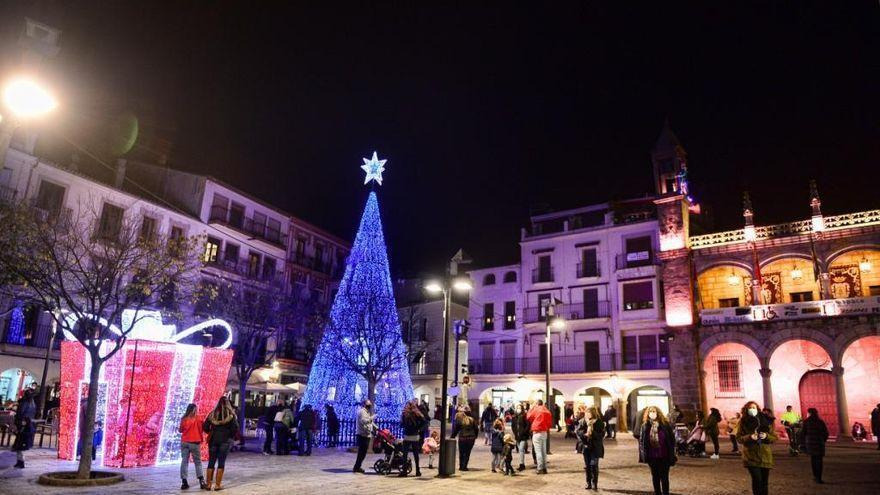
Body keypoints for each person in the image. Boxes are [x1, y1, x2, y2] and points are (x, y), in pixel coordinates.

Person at [736, 401, 777, 495]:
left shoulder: (766, 421)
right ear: (746, 410)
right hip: (751, 456)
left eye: (754, 408)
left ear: (758, 409)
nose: (752, 410)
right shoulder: (743, 422)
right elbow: (739, 438)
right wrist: (749, 437)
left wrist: (766, 436)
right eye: (750, 408)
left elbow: (774, 437)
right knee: (757, 480)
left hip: (765, 456)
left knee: (764, 482)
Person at [638, 406, 676, 495]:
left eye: (654, 411)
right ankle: (657, 493)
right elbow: (642, 441)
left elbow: (671, 439)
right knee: (655, 477)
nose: (652, 413)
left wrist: (672, 452)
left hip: (664, 455)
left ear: (658, 413)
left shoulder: (665, 425)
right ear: (648, 414)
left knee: (664, 477)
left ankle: (666, 493)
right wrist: (643, 455)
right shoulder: (645, 426)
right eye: (650, 411)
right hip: (652, 456)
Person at [203, 396, 238, 491]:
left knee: (211, 461)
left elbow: (205, 427)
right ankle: (217, 485)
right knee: (221, 462)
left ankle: (209, 484)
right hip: (225, 441)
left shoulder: (212, 414)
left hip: (213, 440)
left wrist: (212, 432)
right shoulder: (231, 415)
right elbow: (235, 429)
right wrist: (228, 435)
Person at [178, 403, 207, 490]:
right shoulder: (199, 418)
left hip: (184, 442)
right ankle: (201, 481)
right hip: (195, 442)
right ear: (195, 410)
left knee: (184, 462)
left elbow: (180, 430)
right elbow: (203, 428)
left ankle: (184, 482)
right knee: (197, 462)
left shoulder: (184, 419)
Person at [578, 405, 606, 491]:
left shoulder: (599, 423)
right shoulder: (582, 421)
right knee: (587, 466)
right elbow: (578, 432)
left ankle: (594, 483)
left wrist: (592, 433)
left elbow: (601, 435)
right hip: (586, 446)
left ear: (593, 413)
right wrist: (584, 434)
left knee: (594, 465)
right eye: (586, 413)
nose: (587, 414)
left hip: (596, 447)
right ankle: (588, 482)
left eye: (589, 413)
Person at [400, 399, 427, 477]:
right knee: (416, 454)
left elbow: (402, 424)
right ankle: (418, 471)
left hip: (407, 435)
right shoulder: (417, 413)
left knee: (405, 454)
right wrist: (418, 429)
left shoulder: (405, 414)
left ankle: (404, 471)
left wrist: (404, 426)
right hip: (415, 435)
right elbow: (424, 421)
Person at [801, 408, 828, 484]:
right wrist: (823, 440)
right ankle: (819, 477)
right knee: (819, 461)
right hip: (819, 443)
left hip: (811, 444)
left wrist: (804, 444)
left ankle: (815, 476)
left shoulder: (806, 422)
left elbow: (803, 433)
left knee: (813, 460)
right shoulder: (820, 422)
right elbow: (826, 433)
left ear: (809, 413)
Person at [526, 399, 552, 474]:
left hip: (537, 432)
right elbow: (549, 423)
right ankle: (544, 468)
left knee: (538, 451)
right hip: (544, 432)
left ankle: (540, 468)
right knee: (544, 451)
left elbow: (528, 417)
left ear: (537, 404)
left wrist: (532, 407)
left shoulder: (536, 409)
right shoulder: (547, 411)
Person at [11, 389, 36, 469]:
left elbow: (20, 413)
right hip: (28, 425)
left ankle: (20, 462)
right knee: (21, 443)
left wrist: (17, 422)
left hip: (23, 424)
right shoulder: (32, 403)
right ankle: (20, 461)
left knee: (20, 444)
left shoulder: (24, 402)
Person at [450, 405, 479, 471]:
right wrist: (475, 436)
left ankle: (461, 466)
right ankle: (465, 466)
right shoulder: (472, 419)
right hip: (471, 438)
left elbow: (456, 429)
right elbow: (476, 429)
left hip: (462, 438)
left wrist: (452, 436)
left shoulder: (460, 420)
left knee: (462, 452)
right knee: (467, 453)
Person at [353, 399, 375, 473]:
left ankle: (357, 466)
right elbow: (364, 421)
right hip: (362, 435)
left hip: (366, 434)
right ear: (364, 404)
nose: (370, 405)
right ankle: (356, 467)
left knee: (363, 452)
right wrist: (372, 418)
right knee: (361, 452)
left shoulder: (366, 412)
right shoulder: (362, 412)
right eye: (369, 404)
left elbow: (368, 422)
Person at [511, 403, 531, 471]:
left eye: (520, 408)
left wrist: (523, 432)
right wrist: (515, 433)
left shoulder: (525, 416)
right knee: (520, 450)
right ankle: (522, 463)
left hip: (523, 436)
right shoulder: (514, 417)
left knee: (521, 449)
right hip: (517, 437)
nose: (518, 409)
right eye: (517, 408)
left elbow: (528, 426)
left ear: (522, 409)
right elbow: (513, 426)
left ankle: (521, 464)